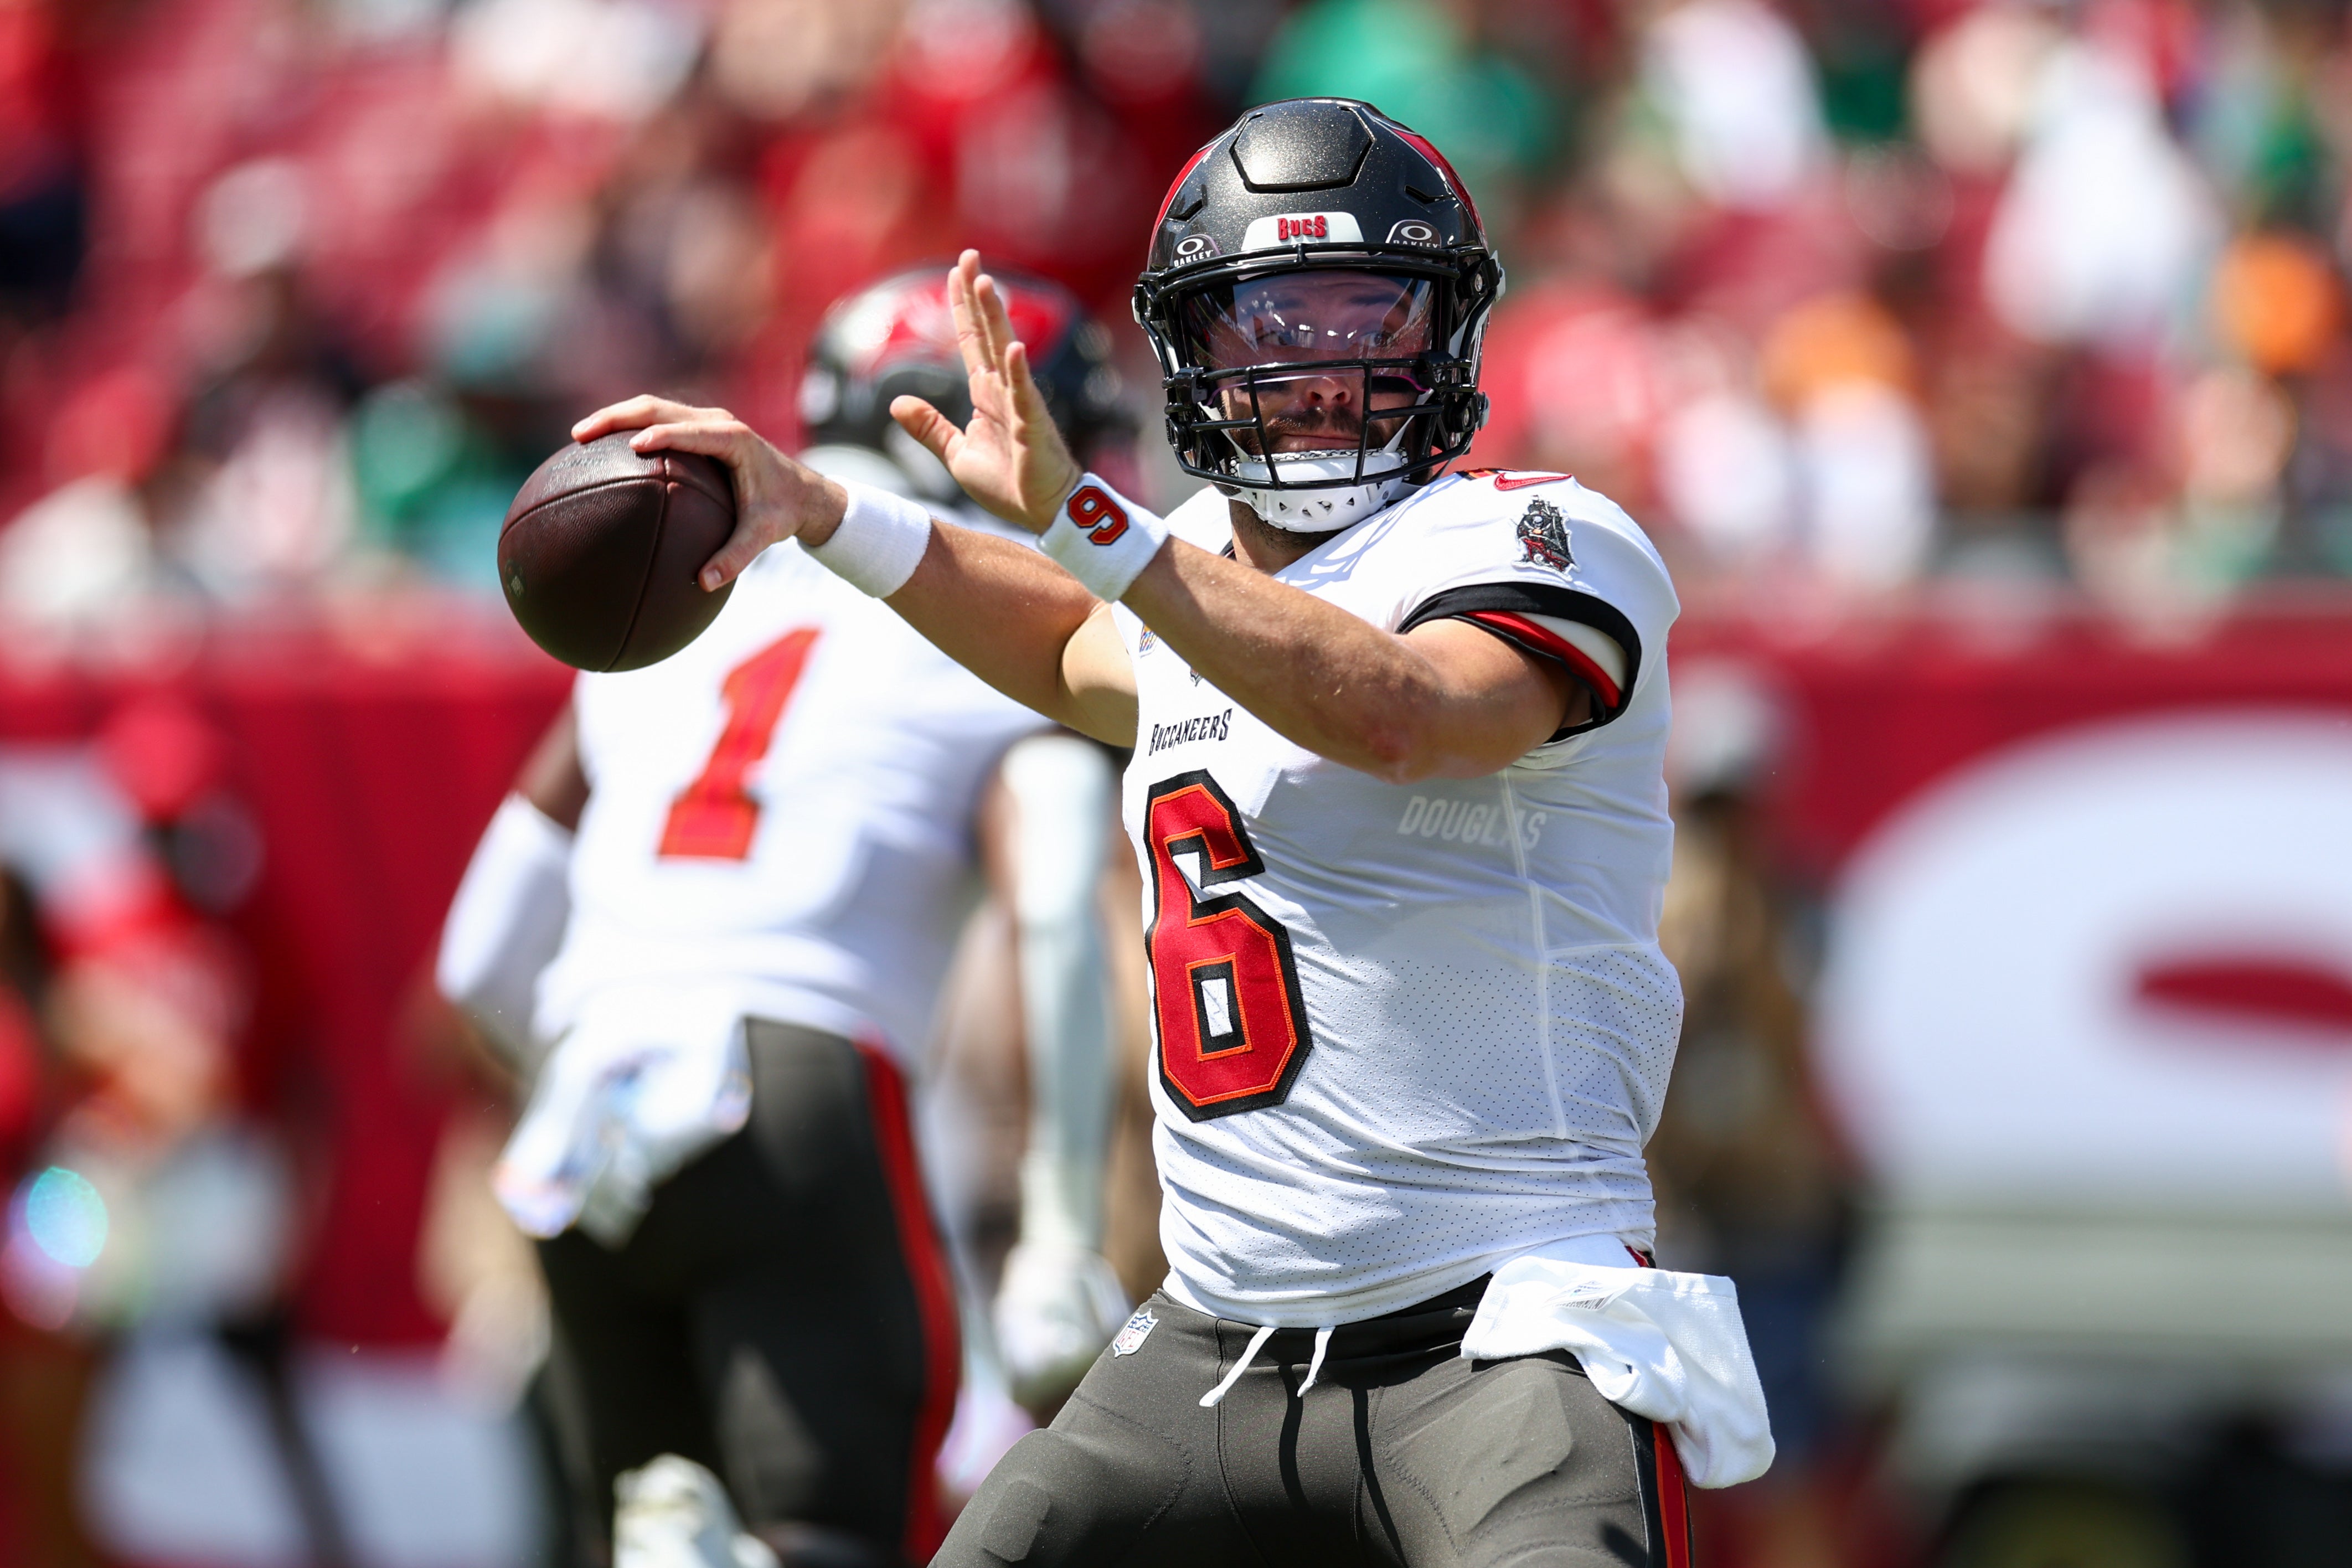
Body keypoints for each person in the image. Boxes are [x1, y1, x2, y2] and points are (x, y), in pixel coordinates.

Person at [577, 97, 1773, 1568]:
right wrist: (830, 513)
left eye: (1364, 311)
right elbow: (1074, 650)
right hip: (1211, 1344)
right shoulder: (1176, 576)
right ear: (1194, 354)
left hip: (1504, 1328)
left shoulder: (1539, 537)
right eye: (1271, 320)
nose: (1321, 367)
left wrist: (1100, 530)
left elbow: (1406, 714)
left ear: (1449, 327)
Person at [436, 267, 1136, 1568]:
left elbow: (479, 961)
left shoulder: (675, 603)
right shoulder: (998, 628)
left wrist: (615, 1081)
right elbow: (1054, 916)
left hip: (583, 1109)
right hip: (802, 1077)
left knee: (632, 1528)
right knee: (837, 1531)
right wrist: (1059, 1232)